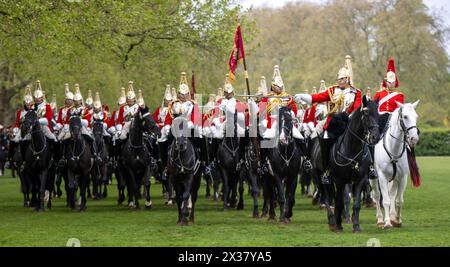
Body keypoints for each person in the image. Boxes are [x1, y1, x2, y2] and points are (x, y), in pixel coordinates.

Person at [294, 55, 362, 182]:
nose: (339, 81)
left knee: (365, 137)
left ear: (347, 79)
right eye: (338, 79)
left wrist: (350, 118)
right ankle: (326, 170)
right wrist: (302, 96)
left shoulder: (356, 92)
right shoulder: (332, 90)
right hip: (334, 123)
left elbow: (357, 108)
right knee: (325, 139)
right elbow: (317, 98)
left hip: (349, 122)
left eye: (342, 79)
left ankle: (369, 168)